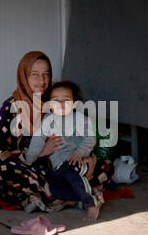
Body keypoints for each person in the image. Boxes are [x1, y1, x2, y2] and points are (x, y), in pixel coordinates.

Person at [0, 51, 112, 212]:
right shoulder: (11, 107)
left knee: (105, 166)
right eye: (34, 74)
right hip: (31, 167)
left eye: (46, 74)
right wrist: (42, 152)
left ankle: (64, 194)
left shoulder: (56, 99)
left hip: (64, 163)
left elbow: (83, 136)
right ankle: (81, 195)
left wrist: (89, 157)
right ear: (24, 76)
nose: (41, 81)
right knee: (6, 169)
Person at [24, 81, 104, 220]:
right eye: (56, 100)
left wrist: (79, 152)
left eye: (66, 100)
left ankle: (91, 203)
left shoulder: (80, 119)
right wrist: (30, 159)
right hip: (56, 166)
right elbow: (38, 139)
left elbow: (90, 138)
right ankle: (91, 195)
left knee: (72, 176)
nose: (61, 104)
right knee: (55, 190)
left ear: (74, 104)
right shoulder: (48, 120)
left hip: (76, 160)